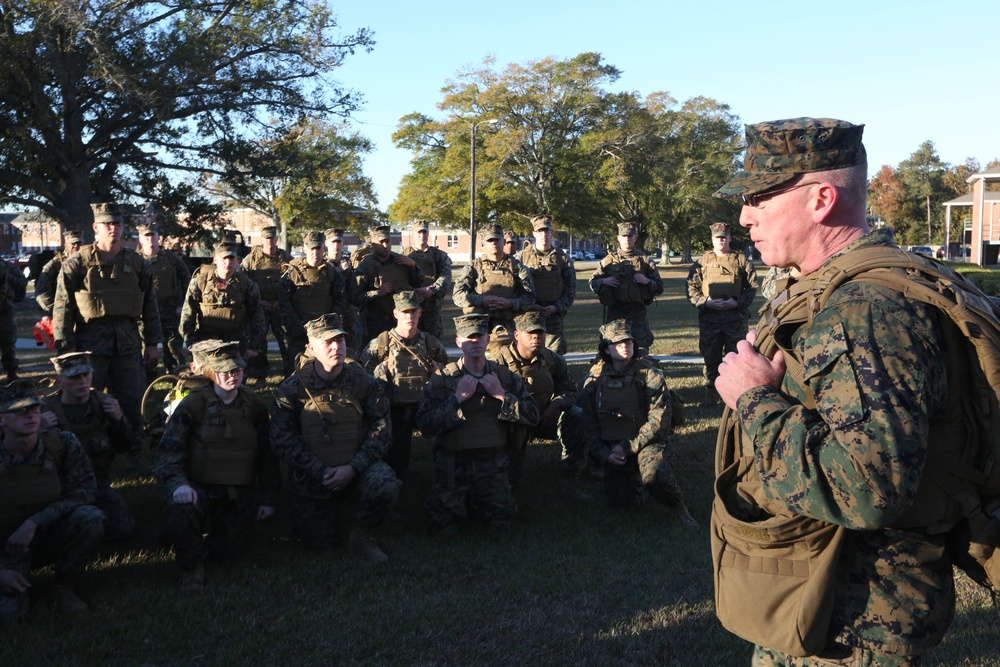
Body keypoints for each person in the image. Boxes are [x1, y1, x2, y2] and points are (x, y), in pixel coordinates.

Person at [712, 117, 960, 665]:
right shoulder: (837, 293)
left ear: (821, 199)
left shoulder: (864, 312)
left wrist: (755, 399)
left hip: (854, 618)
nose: (744, 215)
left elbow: (869, 488)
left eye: (759, 197)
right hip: (827, 591)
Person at [270, 313, 399, 563]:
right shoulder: (292, 388)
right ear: (311, 348)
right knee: (319, 545)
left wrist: (353, 468)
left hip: (356, 468)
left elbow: (382, 432)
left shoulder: (365, 383)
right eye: (327, 341)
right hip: (315, 474)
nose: (336, 347)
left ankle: (362, 534)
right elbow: (281, 440)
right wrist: (320, 470)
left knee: (385, 484)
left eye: (340, 340)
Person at [153, 341, 280, 591]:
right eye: (225, 371)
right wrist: (179, 485)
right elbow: (168, 453)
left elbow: (267, 455)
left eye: (237, 370)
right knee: (183, 510)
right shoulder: (193, 405)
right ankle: (191, 568)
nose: (233, 376)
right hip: (199, 488)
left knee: (228, 553)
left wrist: (267, 498)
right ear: (211, 372)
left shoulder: (254, 405)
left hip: (237, 491)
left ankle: (197, 537)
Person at [54, 202, 162, 471]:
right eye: (107, 224)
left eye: (118, 224)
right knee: (84, 402)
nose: (113, 229)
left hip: (127, 346)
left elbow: (150, 305)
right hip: (89, 348)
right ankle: (81, 455)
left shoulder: (137, 264)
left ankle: (136, 451)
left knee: (133, 400)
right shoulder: (76, 264)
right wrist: (66, 352)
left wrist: (151, 343)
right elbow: (62, 309)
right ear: (95, 228)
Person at [416, 314, 539, 535]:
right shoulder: (442, 379)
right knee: (440, 527)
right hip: (454, 465)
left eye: (479, 336)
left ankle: (478, 501)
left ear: (487, 339)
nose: (474, 342)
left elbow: (533, 416)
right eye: (468, 337)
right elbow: (425, 425)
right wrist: (457, 398)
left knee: (502, 526)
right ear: (458, 341)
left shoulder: (505, 377)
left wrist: (502, 395)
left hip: (492, 464)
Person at [0, 379, 105, 620]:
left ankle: (64, 584)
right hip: (4, 547)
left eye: (35, 409)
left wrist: (34, 522)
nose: (31, 416)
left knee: (91, 518)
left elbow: (85, 491)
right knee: (10, 616)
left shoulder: (62, 443)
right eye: (20, 411)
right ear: (1, 419)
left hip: (45, 534)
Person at [577, 320, 696, 526]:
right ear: (606, 348)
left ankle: (678, 506)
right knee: (622, 503)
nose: (625, 346)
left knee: (655, 477)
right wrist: (606, 454)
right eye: (618, 343)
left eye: (628, 342)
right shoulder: (592, 381)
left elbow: (659, 422)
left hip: (647, 441)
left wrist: (626, 447)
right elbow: (589, 424)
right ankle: (636, 484)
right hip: (612, 447)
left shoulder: (650, 375)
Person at [41, 352, 135, 542]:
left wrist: (119, 421)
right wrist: (37, 431)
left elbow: (125, 446)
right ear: (60, 381)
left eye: (86, 375)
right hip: (60, 490)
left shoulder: (103, 404)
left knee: (122, 531)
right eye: (74, 377)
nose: (82, 382)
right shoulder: (44, 411)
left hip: (98, 485)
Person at [493, 311, 585, 497]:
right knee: (508, 484)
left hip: (546, 417)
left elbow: (569, 390)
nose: (536, 337)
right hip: (513, 423)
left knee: (576, 416)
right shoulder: (498, 362)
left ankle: (572, 479)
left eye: (540, 333)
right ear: (517, 335)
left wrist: (556, 405)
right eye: (530, 333)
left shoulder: (552, 359)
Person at [360, 291, 449, 477]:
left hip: (424, 408)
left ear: (420, 313)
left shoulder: (430, 343)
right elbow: (361, 378)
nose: (409, 316)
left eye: (413, 311)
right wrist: (381, 372)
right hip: (393, 410)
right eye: (405, 312)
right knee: (395, 459)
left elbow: (450, 372)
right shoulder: (381, 344)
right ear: (396, 314)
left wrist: (437, 371)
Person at [685, 222, 757, 405]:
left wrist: (737, 302)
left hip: (735, 320)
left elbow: (752, 287)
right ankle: (711, 392)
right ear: (712, 239)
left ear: (730, 238)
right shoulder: (702, 262)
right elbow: (691, 287)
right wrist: (706, 302)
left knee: (737, 357)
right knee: (711, 356)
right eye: (717, 237)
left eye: (724, 237)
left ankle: (736, 393)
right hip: (710, 319)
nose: (721, 240)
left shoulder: (741, 260)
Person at [180, 241, 265, 361]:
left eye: (231, 258)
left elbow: (257, 317)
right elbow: (187, 315)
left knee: (234, 379)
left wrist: (253, 347)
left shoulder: (247, 285)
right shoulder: (200, 282)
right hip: (205, 342)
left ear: (237, 260)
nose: (228, 262)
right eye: (224, 258)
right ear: (215, 260)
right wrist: (192, 344)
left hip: (236, 343)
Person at [452, 224, 536, 342]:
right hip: (481, 330)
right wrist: (482, 301)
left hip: (510, 327)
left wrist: (510, 303)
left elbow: (530, 297)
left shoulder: (517, 266)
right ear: (484, 243)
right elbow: (457, 296)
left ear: (504, 241)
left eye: (497, 239)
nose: (494, 243)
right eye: (490, 240)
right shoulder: (474, 267)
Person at [589, 222, 662, 352]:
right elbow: (592, 282)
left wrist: (647, 281)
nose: (627, 239)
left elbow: (659, 287)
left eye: (630, 236)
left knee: (640, 350)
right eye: (624, 236)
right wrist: (605, 281)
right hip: (615, 313)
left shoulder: (645, 261)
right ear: (618, 238)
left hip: (637, 314)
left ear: (635, 237)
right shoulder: (608, 260)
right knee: (612, 350)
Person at [281, 231, 351, 358]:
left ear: (323, 247)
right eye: (312, 248)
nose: (315, 252)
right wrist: (297, 326)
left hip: (325, 332)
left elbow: (340, 302)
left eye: (318, 248)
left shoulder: (333, 274)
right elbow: (284, 303)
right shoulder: (292, 273)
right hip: (298, 331)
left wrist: (328, 326)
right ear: (304, 249)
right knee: (295, 368)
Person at [353, 225, 424, 348]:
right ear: (373, 244)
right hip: (375, 324)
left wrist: (413, 266)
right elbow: (355, 297)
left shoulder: (400, 261)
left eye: (388, 241)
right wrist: (377, 293)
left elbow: (417, 283)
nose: (385, 246)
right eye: (381, 242)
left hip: (400, 322)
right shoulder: (366, 266)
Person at [136, 221, 191, 378]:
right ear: (140, 239)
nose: (150, 239)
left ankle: (177, 375)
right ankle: (148, 376)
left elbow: (187, 280)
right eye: (146, 236)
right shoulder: (135, 260)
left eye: (152, 235)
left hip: (170, 309)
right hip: (144, 312)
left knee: (174, 347)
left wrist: (182, 305)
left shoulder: (171, 258)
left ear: (158, 237)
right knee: (145, 346)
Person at [516, 214, 576, 355]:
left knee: (554, 358)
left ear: (551, 233)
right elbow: (514, 287)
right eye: (540, 231)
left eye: (546, 231)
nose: (543, 234)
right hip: (527, 316)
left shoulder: (562, 259)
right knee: (526, 356)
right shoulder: (521, 257)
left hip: (553, 317)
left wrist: (557, 307)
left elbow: (571, 289)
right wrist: (527, 305)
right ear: (534, 233)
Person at [242, 225, 293, 379]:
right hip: (259, 308)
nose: (269, 241)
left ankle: (290, 375)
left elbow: (294, 281)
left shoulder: (286, 258)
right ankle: (259, 375)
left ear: (276, 239)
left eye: (272, 238)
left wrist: (281, 301)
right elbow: (244, 283)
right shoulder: (251, 259)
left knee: (286, 342)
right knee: (257, 342)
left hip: (280, 307)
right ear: (262, 240)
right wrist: (258, 302)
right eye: (266, 238)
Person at [403, 219, 453, 340]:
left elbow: (446, 276)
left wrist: (431, 290)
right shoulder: (403, 256)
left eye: (424, 232)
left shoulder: (439, 255)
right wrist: (417, 291)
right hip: (410, 309)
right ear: (413, 234)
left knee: (434, 346)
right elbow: (399, 281)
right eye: (419, 233)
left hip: (432, 309)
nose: (422, 236)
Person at [324, 228, 359, 354]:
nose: (336, 246)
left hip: (347, 315)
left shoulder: (349, 264)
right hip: (328, 313)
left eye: (339, 242)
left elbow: (354, 290)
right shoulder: (321, 264)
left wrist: (347, 272)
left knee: (350, 350)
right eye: (333, 242)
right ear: (326, 243)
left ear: (343, 244)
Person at [35, 230, 81, 317]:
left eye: (79, 243)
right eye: (73, 243)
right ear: (66, 245)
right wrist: (55, 310)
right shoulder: (56, 264)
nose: (76, 246)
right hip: (64, 311)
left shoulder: (87, 261)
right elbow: (41, 290)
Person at [0, 256, 27, 382]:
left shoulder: (8, 266)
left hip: (5, 310)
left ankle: (11, 372)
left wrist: (7, 276)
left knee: (8, 341)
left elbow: (22, 282)